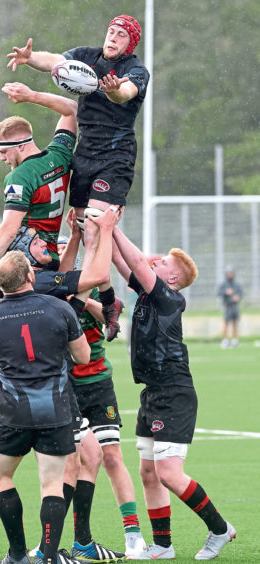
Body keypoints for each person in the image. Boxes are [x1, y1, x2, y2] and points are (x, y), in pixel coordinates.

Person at [6, 15, 149, 341]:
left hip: (115, 158)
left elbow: (125, 93)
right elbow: (56, 62)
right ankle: (124, 294)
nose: (113, 38)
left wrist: (113, 90)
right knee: (88, 234)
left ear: (131, 43)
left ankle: (112, 301)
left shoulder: (136, 70)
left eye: (121, 35)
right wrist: (31, 60)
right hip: (84, 157)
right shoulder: (88, 56)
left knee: (99, 224)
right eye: (111, 31)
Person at [112, 227, 236, 560]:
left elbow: (137, 261)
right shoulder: (150, 291)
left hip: (174, 392)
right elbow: (121, 260)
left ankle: (220, 528)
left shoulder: (169, 298)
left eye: (164, 261)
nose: (157, 260)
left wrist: (111, 225)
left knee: (168, 473)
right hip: (153, 393)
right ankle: (163, 545)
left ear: (173, 279)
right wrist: (91, 225)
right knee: (148, 472)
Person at [0, 250, 91, 564]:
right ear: (30, 276)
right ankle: (50, 556)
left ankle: (16, 555)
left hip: (13, 413)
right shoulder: (59, 308)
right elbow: (83, 357)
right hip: (54, 411)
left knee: (0, 477)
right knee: (52, 483)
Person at [56, 238, 146, 560]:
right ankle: (59, 541)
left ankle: (133, 534)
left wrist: (79, 299)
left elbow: (111, 315)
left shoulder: (92, 288)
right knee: (75, 462)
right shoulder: (46, 292)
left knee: (111, 457)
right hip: (66, 387)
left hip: (97, 383)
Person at [0, 82, 78, 306]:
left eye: (4, 151)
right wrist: (31, 95)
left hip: (22, 268)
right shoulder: (59, 155)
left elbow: (9, 229)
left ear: (21, 146)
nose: (2, 158)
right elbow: (71, 109)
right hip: (50, 259)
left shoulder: (19, 176)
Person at [218, 266, 243, 348]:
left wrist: (238, 297)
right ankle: (225, 340)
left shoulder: (236, 284)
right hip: (227, 306)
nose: (230, 274)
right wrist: (226, 292)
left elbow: (240, 294)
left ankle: (234, 340)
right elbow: (219, 293)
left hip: (235, 306)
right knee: (226, 323)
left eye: (231, 273)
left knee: (234, 323)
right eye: (229, 273)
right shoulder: (224, 284)